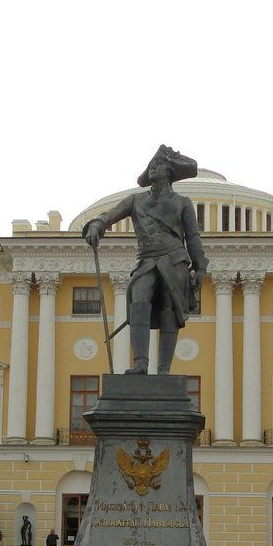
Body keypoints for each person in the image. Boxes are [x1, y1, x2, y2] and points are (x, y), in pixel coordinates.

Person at [82, 145, 208, 375]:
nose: (152, 168)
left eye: (158, 165)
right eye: (151, 165)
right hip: (146, 259)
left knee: (169, 310)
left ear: (169, 171)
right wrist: (97, 225)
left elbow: (192, 237)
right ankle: (140, 363)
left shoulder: (182, 203)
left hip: (174, 259)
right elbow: (111, 215)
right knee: (138, 302)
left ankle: (163, 370)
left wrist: (199, 267)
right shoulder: (135, 200)